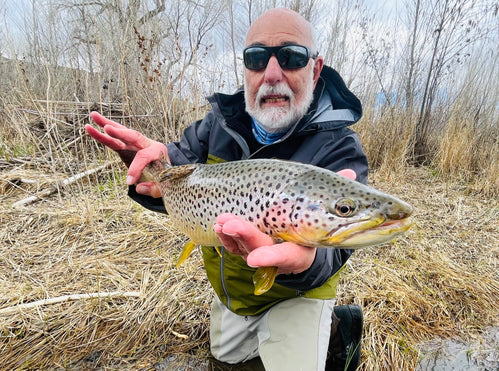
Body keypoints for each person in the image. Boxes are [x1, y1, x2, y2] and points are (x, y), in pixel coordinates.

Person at [86, 8, 367, 371]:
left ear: (315, 69)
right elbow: (174, 174)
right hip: (233, 288)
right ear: (245, 69)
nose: (272, 74)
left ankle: (335, 330)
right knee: (227, 359)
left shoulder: (339, 147)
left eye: (292, 57)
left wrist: (309, 261)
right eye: (256, 58)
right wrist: (147, 171)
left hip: (301, 292)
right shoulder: (217, 123)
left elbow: (342, 244)